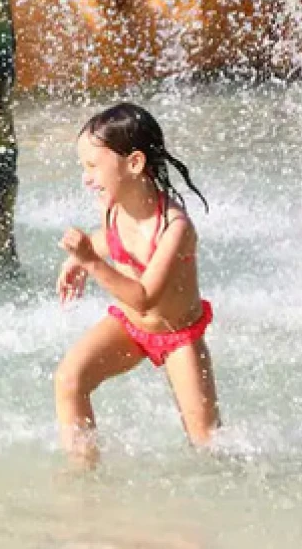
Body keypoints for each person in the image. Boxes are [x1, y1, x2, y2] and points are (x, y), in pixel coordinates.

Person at [54, 103, 220, 467]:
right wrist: (79, 259)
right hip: (129, 327)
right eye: (84, 167)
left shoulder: (174, 228)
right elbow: (111, 240)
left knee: (207, 444)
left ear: (134, 164)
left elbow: (144, 297)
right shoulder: (110, 207)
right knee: (70, 379)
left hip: (179, 336)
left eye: (93, 166)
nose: (86, 177)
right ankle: (82, 474)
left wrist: (91, 263)